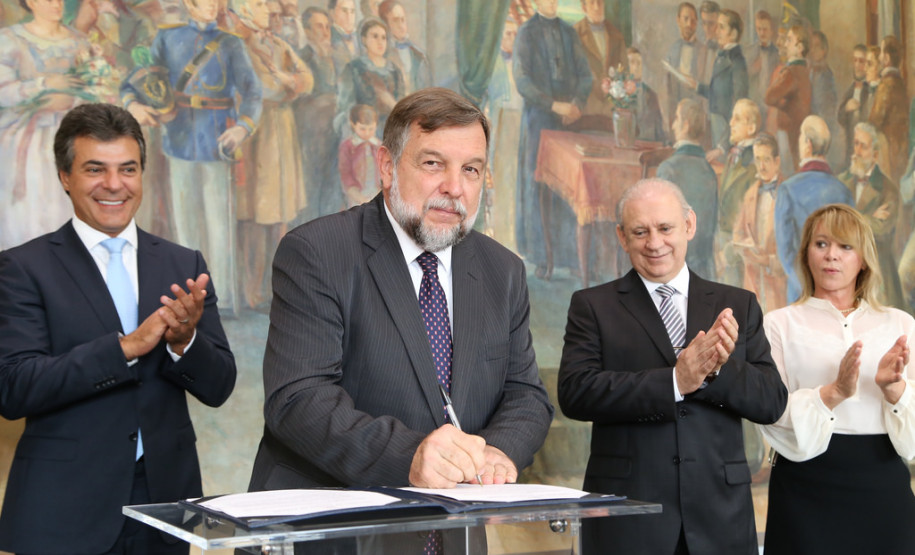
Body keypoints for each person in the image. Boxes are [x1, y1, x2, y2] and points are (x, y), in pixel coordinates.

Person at [248, 88, 553, 550]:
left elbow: (526, 394)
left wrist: (495, 452)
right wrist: (410, 456)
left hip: (453, 534)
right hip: (337, 530)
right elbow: (298, 398)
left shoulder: (502, 270)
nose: (455, 187)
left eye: (471, 169)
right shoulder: (318, 252)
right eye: (434, 164)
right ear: (388, 166)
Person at [0, 103, 236, 554]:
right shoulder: (22, 268)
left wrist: (184, 343)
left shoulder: (182, 264)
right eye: (95, 169)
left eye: (128, 169)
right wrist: (126, 347)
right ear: (65, 176)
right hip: (63, 507)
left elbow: (220, 385)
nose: (114, 185)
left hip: (166, 505)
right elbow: (13, 388)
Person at [558, 177, 787, 555]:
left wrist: (716, 370)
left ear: (690, 225)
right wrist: (675, 382)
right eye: (640, 231)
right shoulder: (592, 306)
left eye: (665, 228)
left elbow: (772, 402)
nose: (654, 243)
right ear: (622, 236)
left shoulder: (738, 304)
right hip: (629, 518)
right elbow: (576, 392)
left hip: (721, 517)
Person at [761, 203, 915, 554]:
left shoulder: (900, 324)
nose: (832, 256)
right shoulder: (778, 324)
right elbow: (771, 419)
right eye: (821, 244)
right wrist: (833, 392)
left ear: (863, 259)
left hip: (883, 487)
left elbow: (914, 441)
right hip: (804, 487)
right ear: (806, 255)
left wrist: (894, 389)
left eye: (845, 246)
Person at [121, 0, 263, 317]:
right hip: (179, 137)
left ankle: (222, 297)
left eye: (216, 1)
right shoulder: (167, 38)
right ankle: (187, 295)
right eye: (205, 1)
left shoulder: (231, 43)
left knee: (218, 221)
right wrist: (134, 105)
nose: (213, 6)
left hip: (216, 140)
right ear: (189, 4)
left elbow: (253, 91)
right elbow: (132, 82)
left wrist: (242, 127)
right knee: (185, 222)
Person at [0, 0, 90, 250]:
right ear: (30, 2)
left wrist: (74, 98)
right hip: (28, 138)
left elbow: (95, 87)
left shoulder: (80, 42)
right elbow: (3, 92)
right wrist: (44, 85)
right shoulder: (9, 40)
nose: (56, 4)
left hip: (73, 134)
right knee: (33, 208)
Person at [513, 0, 592, 280]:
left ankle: (570, 256)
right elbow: (522, 80)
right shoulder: (526, 32)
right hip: (539, 120)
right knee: (539, 187)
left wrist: (578, 104)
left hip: (569, 120)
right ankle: (541, 256)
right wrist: (552, 105)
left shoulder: (570, 33)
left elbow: (586, 75)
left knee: (569, 186)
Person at [775, 115, 853, 303]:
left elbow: (785, 250)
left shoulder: (788, 189)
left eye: (801, 137)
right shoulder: (843, 191)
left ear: (807, 144)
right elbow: (851, 247)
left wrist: (806, 287)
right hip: (838, 294)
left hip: (799, 293)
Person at [837, 122, 905, 308]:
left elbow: (881, 230)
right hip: (844, 272)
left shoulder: (888, 189)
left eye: (863, 146)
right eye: (856, 144)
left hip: (877, 273)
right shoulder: (842, 182)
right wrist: (868, 218)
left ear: (875, 155)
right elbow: (833, 225)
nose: (857, 151)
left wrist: (849, 220)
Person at [657, 98, 718, 280]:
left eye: (676, 118)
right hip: (703, 269)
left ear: (685, 125)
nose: (673, 124)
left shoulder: (668, 169)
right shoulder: (709, 171)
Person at [733, 133, 786, 313]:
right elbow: (738, 233)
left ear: (777, 161)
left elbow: (795, 244)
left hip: (779, 282)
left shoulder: (788, 192)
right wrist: (745, 246)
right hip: (754, 280)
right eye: (757, 160)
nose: (761, 166)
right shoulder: (750, 194)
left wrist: (768, 261)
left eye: (766, 160)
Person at [715, 99, 760, 287]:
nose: (731, 123)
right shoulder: (733, 155)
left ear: (751, 128)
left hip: (738, 244)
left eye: (737, 119)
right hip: (724, 236)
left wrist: (731, 245)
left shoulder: (754, 162)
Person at [336, 17, 404, 137]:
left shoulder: (394, 71)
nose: (380, 42)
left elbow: (402, 107)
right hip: (363, 132)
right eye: (375, 36)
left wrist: (391, 103)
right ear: (364, 40)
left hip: (392, 131)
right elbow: (346, 106)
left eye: (384, 38)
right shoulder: (354, 68)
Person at [691, 8, 747, 150]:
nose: (716, 31)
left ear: (733, 33)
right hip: (716, 120)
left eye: (721, 27)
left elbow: (739, 103)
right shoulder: (722, 56)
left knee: (722, 162)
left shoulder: (737, 61)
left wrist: (723, 144)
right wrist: (697, 86)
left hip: (727, 123)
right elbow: (717, 92)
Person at [764, 24, 811, 171]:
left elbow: (769, 97)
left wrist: (782, 104)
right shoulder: (804, 70)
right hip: (799, 130)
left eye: (789, 40)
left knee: (787, 171)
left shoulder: (790, 73)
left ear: (800, 48)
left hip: (788, 129)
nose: (785, 44)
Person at [574, 0, 627, 122]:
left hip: (610, 112)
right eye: (592, 2)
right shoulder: (574, 34)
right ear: (584, 7)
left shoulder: (616, 35)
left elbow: (624, 71)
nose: (597, 7)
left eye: (600, 2)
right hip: (585, 110)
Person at [663, 2, 708, 134]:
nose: (689, 24)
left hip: (697, 112)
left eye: (693, 20)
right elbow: (667, 88)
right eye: (686, 19)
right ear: (678, 20)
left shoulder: (704, 51)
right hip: (677, 112)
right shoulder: (672, 50)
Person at [869, 35, 909, 183]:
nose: (879, 57)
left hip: (888, 149)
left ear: (886, 58)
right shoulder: (900, 84)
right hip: (901, 147)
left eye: (881, 53)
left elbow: (875, 120)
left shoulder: (886, 85)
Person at [378, 0, 431, 95]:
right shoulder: (381, 54)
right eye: (395, 20)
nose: (401, 25)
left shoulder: (419, 56)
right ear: (385, 24)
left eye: (403, 19)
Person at [339, 103, 381, 207]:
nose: (367, 133)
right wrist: (357, 195)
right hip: (357, 193)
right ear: (353, 124)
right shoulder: (348, 146)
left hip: (377, 192)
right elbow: (345, 173)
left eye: (371, 129)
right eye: (362, 129)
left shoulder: (378, 145)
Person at [837, 44, 870, 164]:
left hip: (867, 149)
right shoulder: (850, 90)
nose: (857, 65)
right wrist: (846, 108)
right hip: (851, 149)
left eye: (861, 61)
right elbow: (839, 117)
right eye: (855, 60)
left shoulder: (870, 90)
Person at [745, 10, 778, 121]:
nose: (762, 33)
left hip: (771, 106)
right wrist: (753, 69)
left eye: (765, 29)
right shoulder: (749, 52)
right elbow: (742, 77)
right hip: (754, 104)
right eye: (759, 29)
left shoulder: (777, 54)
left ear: (771, 31)